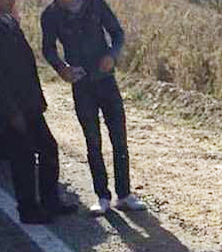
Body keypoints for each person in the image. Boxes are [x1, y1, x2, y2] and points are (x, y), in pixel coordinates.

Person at [0, 0, 77, 224]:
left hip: (29, 104)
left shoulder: (8, 22)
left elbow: (25, 66)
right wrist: (11, 113)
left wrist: (37, 101)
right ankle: (28, 210)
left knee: (48, 148)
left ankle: (50, 201)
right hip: (11, 109)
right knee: (23, 159)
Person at [41, 0, 146, 215]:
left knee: (119, 139)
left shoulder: (95, 4)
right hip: (81, 85)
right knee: (93, 141)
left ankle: (124, 195)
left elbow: (117, 33)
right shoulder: (50, 14)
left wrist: (112, 55)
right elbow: (48, 49)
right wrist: (62, 68)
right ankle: (102, 196)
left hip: (106, 80)